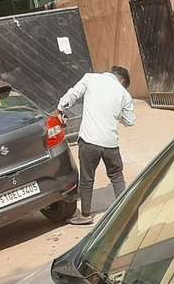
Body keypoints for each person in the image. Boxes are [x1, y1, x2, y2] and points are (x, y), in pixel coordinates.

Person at [57, 66, 136, 226]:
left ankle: (85, 215)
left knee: (87, 179)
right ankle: (125, 210)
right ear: (122, 81)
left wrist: (60, 108)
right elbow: (130, 121)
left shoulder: (89, 78)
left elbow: (72, 95)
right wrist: (116, 113)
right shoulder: (124, 94)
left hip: (89, 141)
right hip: (110, 143)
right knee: (116, 175)